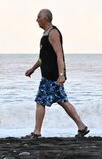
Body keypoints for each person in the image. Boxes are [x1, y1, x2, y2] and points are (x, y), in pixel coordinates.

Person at [25, 9, 88, 137]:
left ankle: (37, 132)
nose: (37, 20)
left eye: (38, 17)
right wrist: (33, 68)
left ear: (45, 18)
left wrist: (61, 75)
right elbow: (42, 58)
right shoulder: (45, 34)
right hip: (49, 75)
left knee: (40, 101)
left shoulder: (53, 32)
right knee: (62, 100)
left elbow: (59, 54)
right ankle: (82, 127)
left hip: (52, 76)